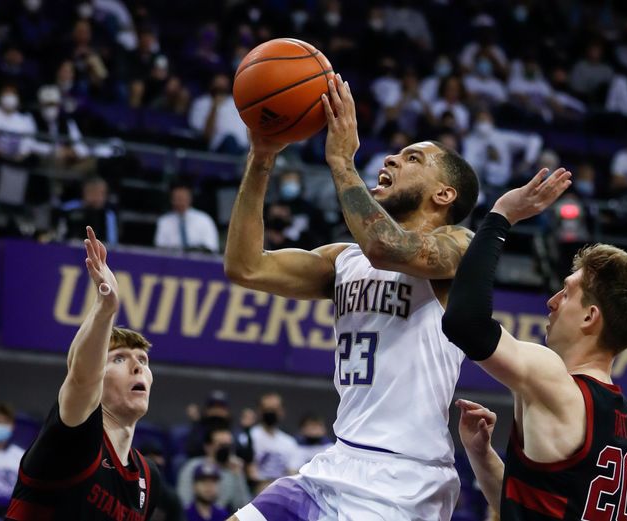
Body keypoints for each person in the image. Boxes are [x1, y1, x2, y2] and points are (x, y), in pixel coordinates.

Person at [225, 74, 479, 520]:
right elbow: (246, 266)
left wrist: (343, 163)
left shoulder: (460, 247)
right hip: (336, 462)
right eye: (396, 154)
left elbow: (388, 249)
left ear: (444, 194)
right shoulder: (343, 259)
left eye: (412, 158)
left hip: (406, 480)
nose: (391, 159)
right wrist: (262, 158)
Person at [442, 168, 627, 520]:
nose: (552, 301)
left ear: (590, 317)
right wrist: (481, 455)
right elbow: (526, 510)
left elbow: (464, 322)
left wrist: (501, 215)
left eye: (567, 292)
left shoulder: (555, 382)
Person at [4, 226, 161, 520]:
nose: (138, 365)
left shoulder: (148, 478)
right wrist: (106, 309)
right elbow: (80, 376)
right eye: (119, 359)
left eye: (143, 359)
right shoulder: (75, 437)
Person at [247, 393, 298, 493]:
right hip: (254, 492)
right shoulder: (251, 436)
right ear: (259, 411)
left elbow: (293, 475)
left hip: (282, 493)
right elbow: (249, 471)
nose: (270, 413)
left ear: (282, 412)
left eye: (274, 409)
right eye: (267, 409)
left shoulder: (289, 442)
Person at [154, 181, 220, 253]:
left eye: (183, 198)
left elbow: (212, 248)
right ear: (171, 199)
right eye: (177, 198)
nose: (180, 202)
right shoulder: (164, 221)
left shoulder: (204, 220)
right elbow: (159, 249)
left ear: (190, 198)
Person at [57, 176, 119, 246]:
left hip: (97, 252)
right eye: (94, 192)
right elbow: (59, 237)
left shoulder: (109, 215)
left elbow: (112, 243)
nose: (98, 197)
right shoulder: (68, 209)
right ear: (85, 192)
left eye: (102, 193)